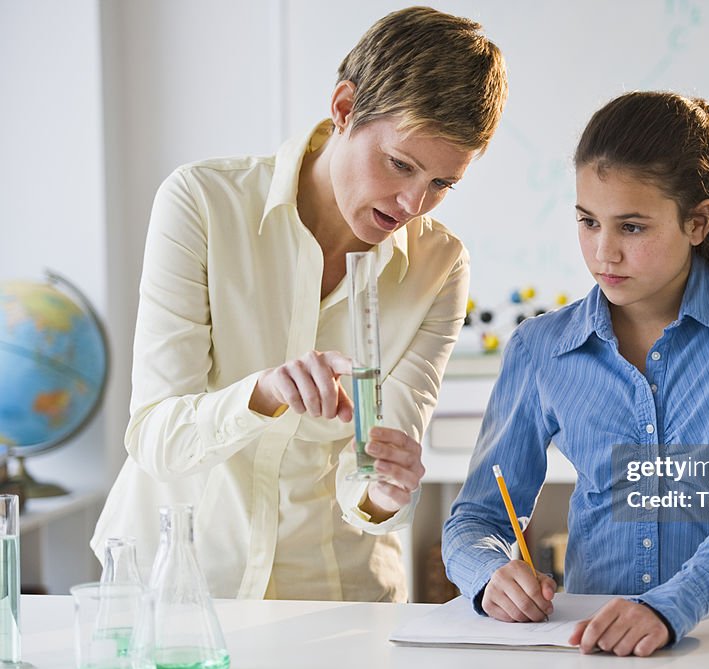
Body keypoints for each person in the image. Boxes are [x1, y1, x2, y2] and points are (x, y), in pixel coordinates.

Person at [92, 7, 508, 602]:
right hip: (177, 588)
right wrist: (260, 395)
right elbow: (157, 437)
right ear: (344, 109)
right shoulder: (203, 204)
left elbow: (375, 467)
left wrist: (384, 491)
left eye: (443, 184)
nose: (416, 202)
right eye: (400, 164)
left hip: (334, 600)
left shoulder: (440, 267)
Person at [442, 91, 709, 656]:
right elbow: (476, 517)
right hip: (597, 647)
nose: (602, 252)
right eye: (588, 222)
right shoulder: (542, 349)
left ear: (697, 222)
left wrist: (668, 608)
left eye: (631, 227)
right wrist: (490, 575)